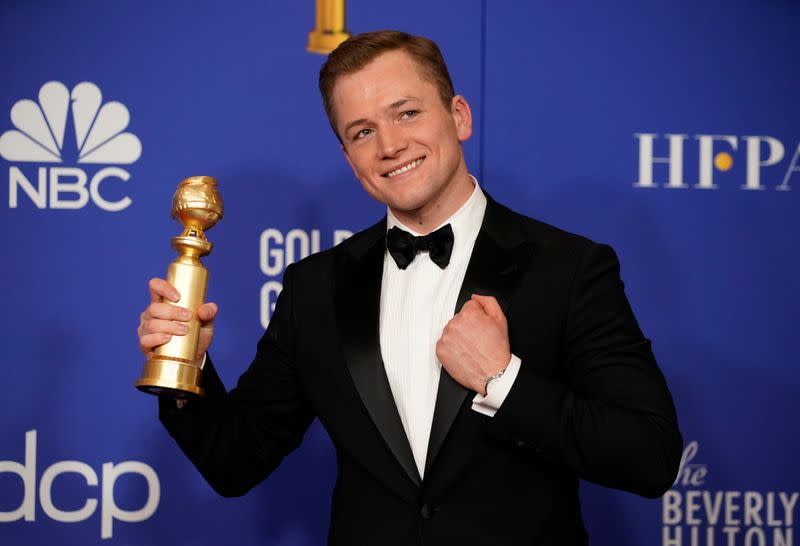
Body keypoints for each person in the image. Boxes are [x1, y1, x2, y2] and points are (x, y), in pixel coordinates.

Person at [137, 30, 682, 545]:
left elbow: (650, 456)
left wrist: (502, 381)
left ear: (459, 116)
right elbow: (236, 462)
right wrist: (189, 367)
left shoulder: (568, 267)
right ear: (351, 161)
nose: (390, 145)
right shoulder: (316, 286)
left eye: (407, 113)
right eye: (363, 132)